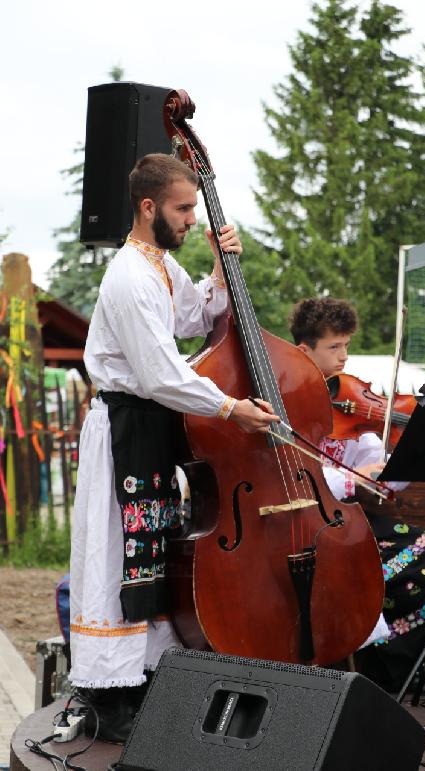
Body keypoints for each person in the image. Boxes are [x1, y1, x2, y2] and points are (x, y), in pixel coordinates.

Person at [69, 153, 277, 742]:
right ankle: (109, 699)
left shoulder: (158, 265)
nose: (192, 218)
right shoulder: (130, 276)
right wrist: (231, 407)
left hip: (150, 429)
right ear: (148, 206)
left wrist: (218, 269)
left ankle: (139, 682)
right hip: (125, 432)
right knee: (117, 555)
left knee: (149, 550)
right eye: (184, 209)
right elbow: (161, 372)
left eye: (193, 207)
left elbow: (195, 317)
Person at [289, 297, 425, 691]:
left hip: (353, 522)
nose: (344, 357)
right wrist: (354, 480)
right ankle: (378, 665)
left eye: (347, 345)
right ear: (305, 350)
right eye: (334, 347)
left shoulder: (354, 408)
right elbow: (302, 477)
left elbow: (381, 475)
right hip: (309, 529)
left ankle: (396, 669)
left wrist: (404, 460)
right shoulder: (289, 405)